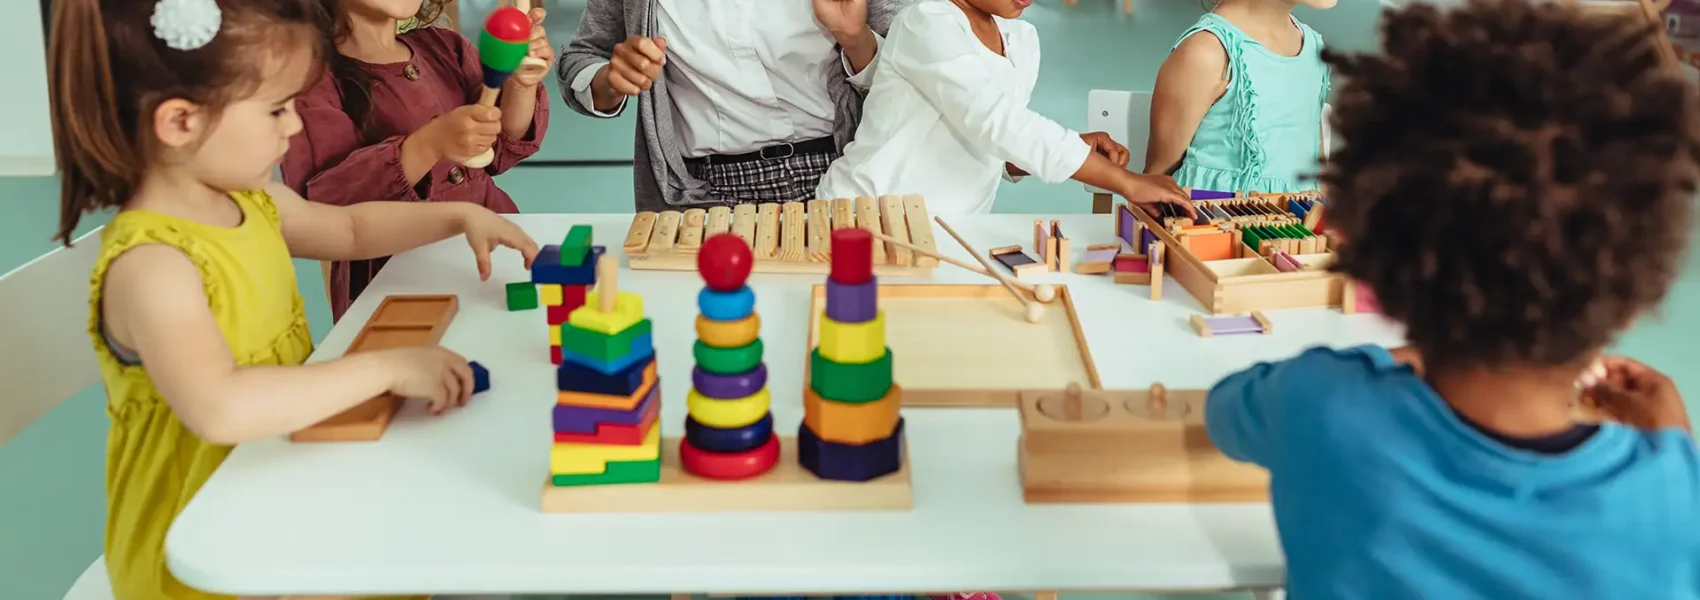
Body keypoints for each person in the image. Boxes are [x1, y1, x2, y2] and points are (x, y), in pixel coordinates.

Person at [1204, 1, 1700, 598]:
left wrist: (1389, 366)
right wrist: (1675, 445)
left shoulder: (1321, 401)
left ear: (1379, 269)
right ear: (1636, 299)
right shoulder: (1675, 496)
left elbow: (1225, 412)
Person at [45, 0, 539, 597]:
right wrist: (387, 367)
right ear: (180, 123)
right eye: (276, 109)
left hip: (280, 485)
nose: (294, 126)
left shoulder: (251, 202)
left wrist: (458, 215)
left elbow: (351, 229)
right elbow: (221, 407)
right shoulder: (154, 265)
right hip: (202, 554)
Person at [285, 0, 551, 321]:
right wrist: (429, 145)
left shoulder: (444, 47)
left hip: (492, 261)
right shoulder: (309, 80)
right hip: (395, 285)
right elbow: (323, 207)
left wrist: (520, 85)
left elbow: (501, 148)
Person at [814, 0, 1191, 215]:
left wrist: (1073, 147)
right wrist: (1127, 183)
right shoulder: (926, 23)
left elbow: (993, 143)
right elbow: (996, 122)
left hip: (950, 230)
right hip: (865, 219)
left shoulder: (1021, 38)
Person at [556, 0, 901, 211]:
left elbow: (914, 72)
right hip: (702, 195)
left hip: (845, 175)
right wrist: (611, 79)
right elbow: (581, 59)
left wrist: (857, 40)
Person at [1145, 0, 1335, 194]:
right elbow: (1153, 185)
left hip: (1298, 221)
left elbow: (1317, 170)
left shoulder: (1315, 50)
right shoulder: (1206, 52)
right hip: (1214, 219)